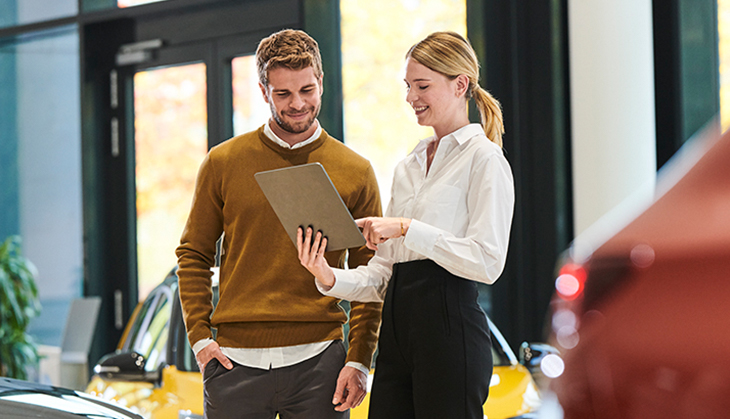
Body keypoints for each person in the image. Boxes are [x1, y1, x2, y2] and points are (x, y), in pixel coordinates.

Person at [297, 31, 515, 419]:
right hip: (397, 333)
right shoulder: (408, 167)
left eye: (422, 86)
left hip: (451, 329)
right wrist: (327, 275)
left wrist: (407, 228)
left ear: (460, 84)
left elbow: (488, 262)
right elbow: (383, 274)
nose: (411, 97)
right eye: (408, 86)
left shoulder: (485, 160)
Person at [176, 29, 383, 419]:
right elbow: (193, 254)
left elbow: (370, 274)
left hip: (322, 363)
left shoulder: (356, 171)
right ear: (263, 90)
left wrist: (358, 359)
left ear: (321, 81)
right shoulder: (223, 162)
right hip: (233, 364)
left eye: (307, 90)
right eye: (283, 94)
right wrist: (201, 339)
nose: (298, 104)